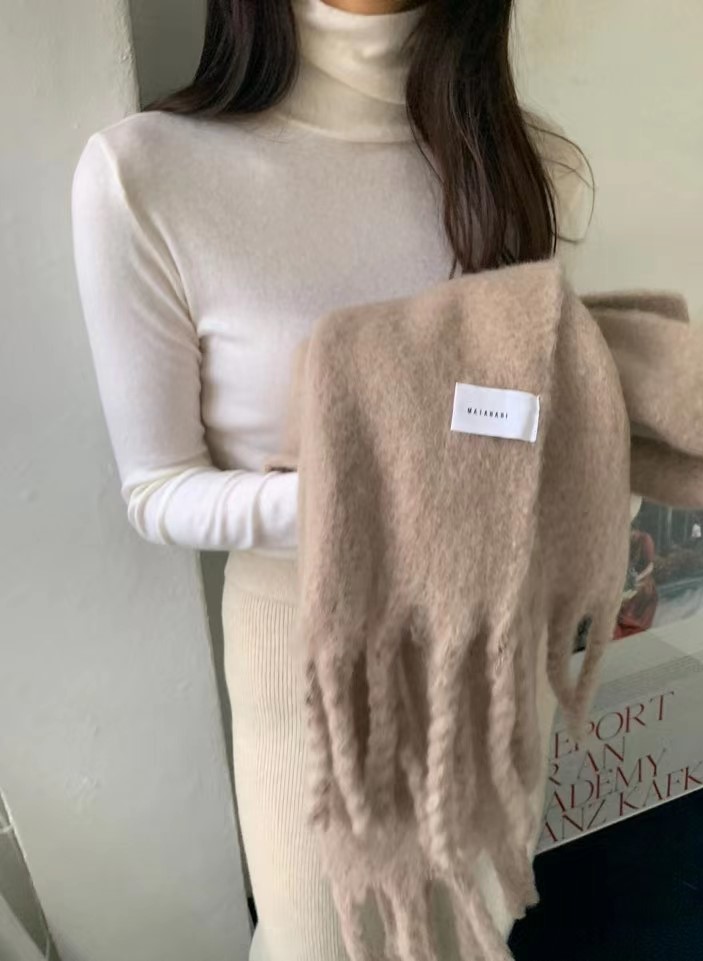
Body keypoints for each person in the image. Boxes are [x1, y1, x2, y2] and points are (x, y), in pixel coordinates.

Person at [71, 1, 590, 957]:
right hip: (306, 660)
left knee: (475, 931)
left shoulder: (524, 158)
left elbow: (522, 414)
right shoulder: (147, 175)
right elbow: (156, 489)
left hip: (491, 641)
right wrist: (371, 495)